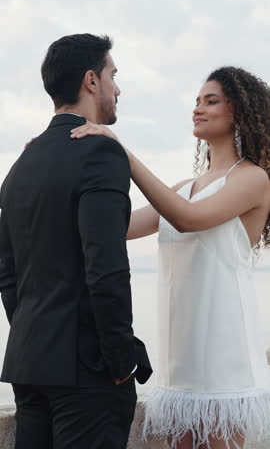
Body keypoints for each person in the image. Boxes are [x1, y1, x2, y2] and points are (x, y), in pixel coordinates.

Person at [70, 66, 270, 449]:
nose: (198, 108)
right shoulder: (186, 187)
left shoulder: (252, 179)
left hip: (223, 360)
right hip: (179, 359)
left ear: (239, 111)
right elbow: (120, 225)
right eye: (196, 101)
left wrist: (121, 153)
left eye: (211, 101)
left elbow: (187, 218)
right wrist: (60, 173)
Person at [0, 33, 152, 449]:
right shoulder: (100, 153)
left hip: (30, 364)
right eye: (112, 75)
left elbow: (8, 274)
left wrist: (39, 334)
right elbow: (105, 267)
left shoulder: (20, 165)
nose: (117, 88)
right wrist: (120, 357)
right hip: (88, 373)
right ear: (90, 80)